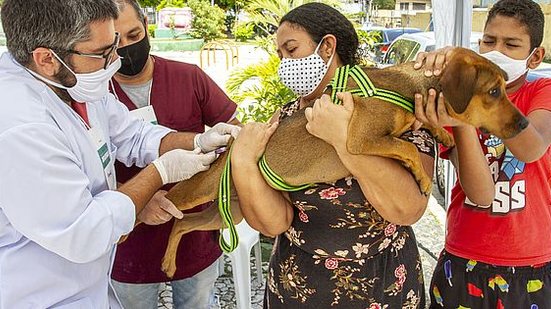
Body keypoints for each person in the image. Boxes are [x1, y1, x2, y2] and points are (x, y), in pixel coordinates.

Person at [0, 0, 238, 307]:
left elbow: (133, 134)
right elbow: (85, 231)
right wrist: (159, 173)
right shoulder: (20, 125)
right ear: (47, 58)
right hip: (44, 294)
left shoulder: (75, 83)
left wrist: (198, 141)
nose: (116, 59)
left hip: (90, 284)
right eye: (102, 53)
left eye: (114, 43)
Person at [231, 3, 434, 308]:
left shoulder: (394, 108)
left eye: (291, 49)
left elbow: (407, 210)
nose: (284, 63)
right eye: (280, 56)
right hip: (298, 288)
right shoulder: (285, 119)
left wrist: (344, 141)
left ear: (327, 47)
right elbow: (274, 224)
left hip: (384, 286)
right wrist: (243, 162)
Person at [413, 0, 551, 307]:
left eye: (511, 44)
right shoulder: (457, 101)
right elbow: (480, 193)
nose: (496, 50)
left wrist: (489, 95)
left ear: (535, 56)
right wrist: (460, 118)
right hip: (463, 259)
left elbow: (531, 149)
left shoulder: (542, 91)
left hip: (531, 264)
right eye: (488, 41)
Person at [109, 1, 239, 308]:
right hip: (129, 239)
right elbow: (83, 177)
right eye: (116, 42)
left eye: (134, 34)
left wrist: (214, 144)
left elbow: (235, 132)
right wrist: (135, 204)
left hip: (193, 230)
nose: (127, 48)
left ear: (146, 24)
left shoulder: (188, 77)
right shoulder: (98, 96)